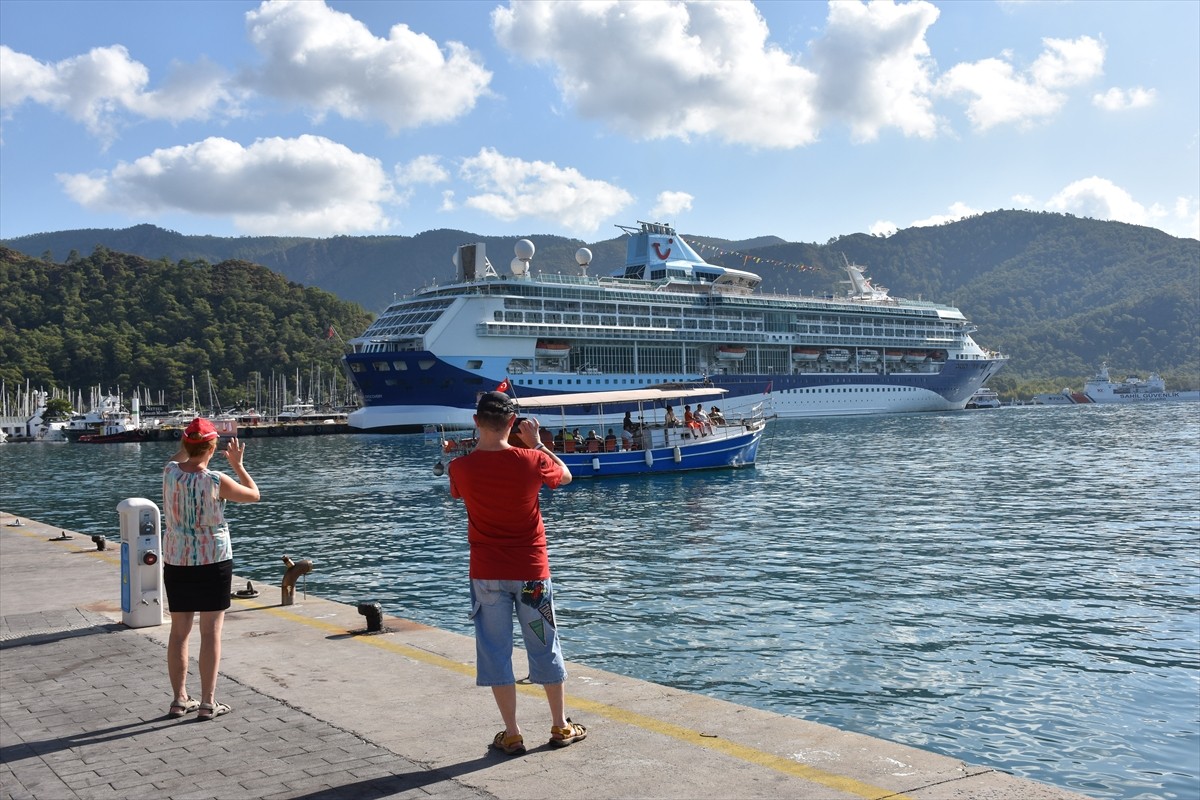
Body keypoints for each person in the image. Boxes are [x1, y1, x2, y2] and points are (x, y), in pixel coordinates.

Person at [447, 392, 587, 755]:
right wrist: (537, 442)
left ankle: (512, 733)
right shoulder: (533, 460)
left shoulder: (459, 468)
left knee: (495, 651)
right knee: (545, 645)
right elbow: (566, 476)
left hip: (487, 575)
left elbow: (458, 494)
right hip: (532, 574)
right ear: (513, 422)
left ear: (476, 422)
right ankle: (560, 725)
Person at [162, 418, 260, 721]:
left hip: (177, 560)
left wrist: (190, 443)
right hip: (213, 561)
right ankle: (207, 702)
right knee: (210, 632)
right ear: (213, 447)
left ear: (186, 444)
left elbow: (182, 456)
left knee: (179, 633)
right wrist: (238, 465)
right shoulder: (217, 480)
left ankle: (179, 700)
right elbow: (254, 494)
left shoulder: (170, 472)